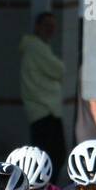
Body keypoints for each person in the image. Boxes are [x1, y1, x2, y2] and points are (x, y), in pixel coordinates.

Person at [20, 12, 68, 163]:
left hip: (45, 111)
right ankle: (47, 186)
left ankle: (47, 185)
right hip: (44, 111)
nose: (51, 29)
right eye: (47, 25)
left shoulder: (38, 47)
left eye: (53, 26)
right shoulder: (36, 47)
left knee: (51, 155)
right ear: (37, 27)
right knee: (52, 156)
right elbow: (59, 69)